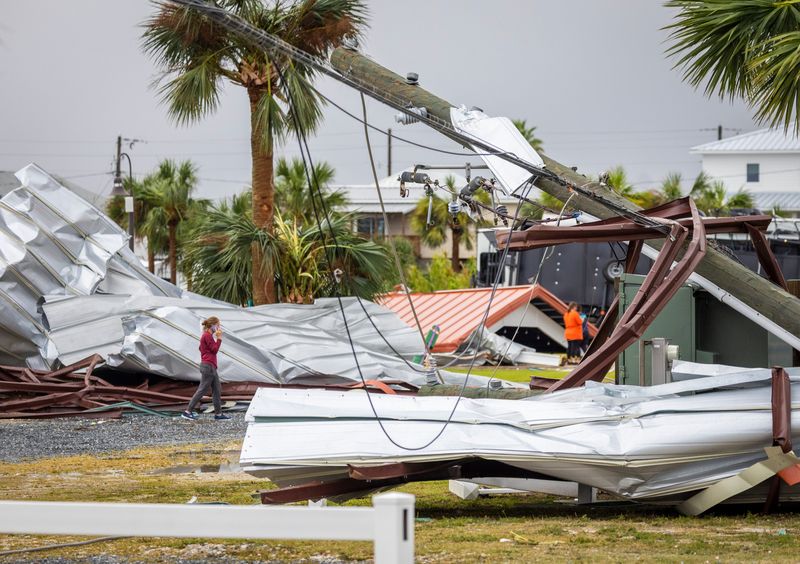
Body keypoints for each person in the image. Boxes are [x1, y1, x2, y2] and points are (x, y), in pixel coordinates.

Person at [181, 316, 230, 421]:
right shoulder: (207, 336)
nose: (219, 327)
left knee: (217, 389)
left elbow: (201, 348)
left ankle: (218, 414)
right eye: (217, 325)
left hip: (210, 366)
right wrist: (219, 339)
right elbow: (214, 349)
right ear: (212, 325)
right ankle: (187, 411)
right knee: (202, 389)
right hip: (208, 366)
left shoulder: (206, 336)